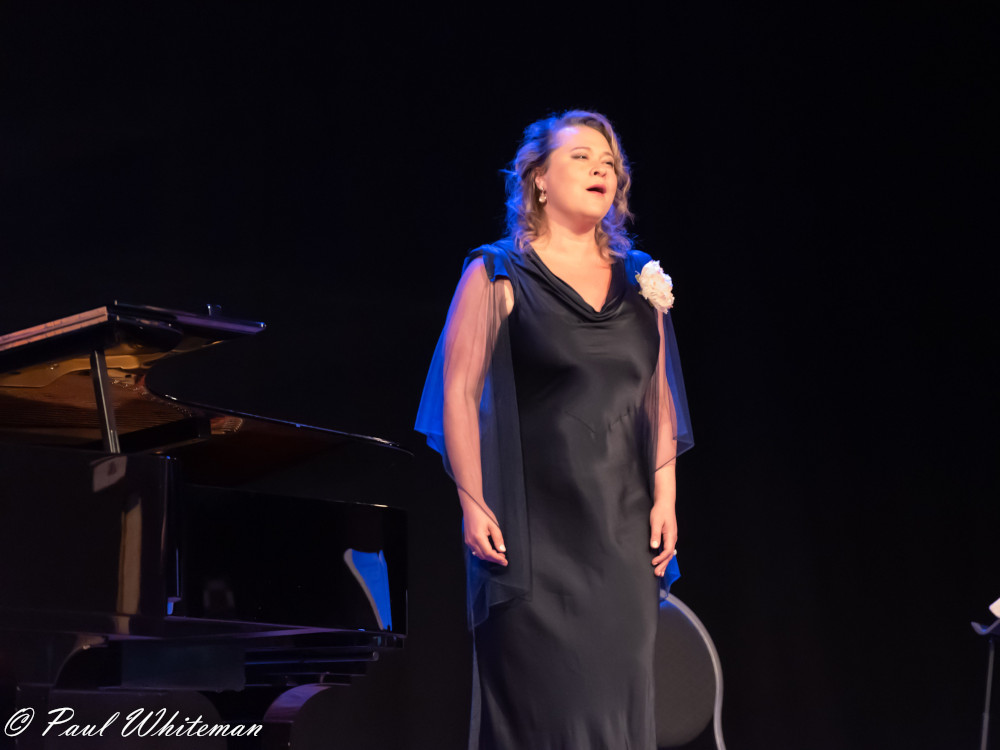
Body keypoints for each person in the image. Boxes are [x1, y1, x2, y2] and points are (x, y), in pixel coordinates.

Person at [415, 110, 693, 750]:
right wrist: (472, 501)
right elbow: (458, 394)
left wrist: (666, 495)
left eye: (609, 161)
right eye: (581, 156)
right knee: (547, 717)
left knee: (618, 713)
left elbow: (657, 397)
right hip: (532, 540)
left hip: (620, 538)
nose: (601, 168)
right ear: (537, 178)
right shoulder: (497, 271)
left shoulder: (640, 280)